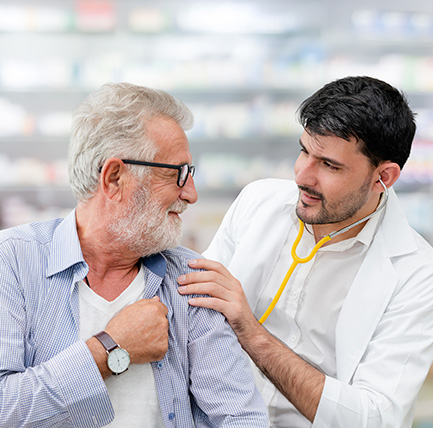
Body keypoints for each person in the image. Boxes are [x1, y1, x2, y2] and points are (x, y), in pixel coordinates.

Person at [0, 82, 269, 427]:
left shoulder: (190, 280)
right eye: (178, 174)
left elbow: (241, 417)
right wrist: (111, 348)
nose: (191, 194)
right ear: (114, 178)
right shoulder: (13, 262)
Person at [177, 76, 433, 428]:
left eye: (329, 165)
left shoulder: (416, 274)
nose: (302, 175)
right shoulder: (259, 202)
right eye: (304, 151)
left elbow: (375, 418)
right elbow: (195, 313)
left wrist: (252, 334)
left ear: (383, 178)